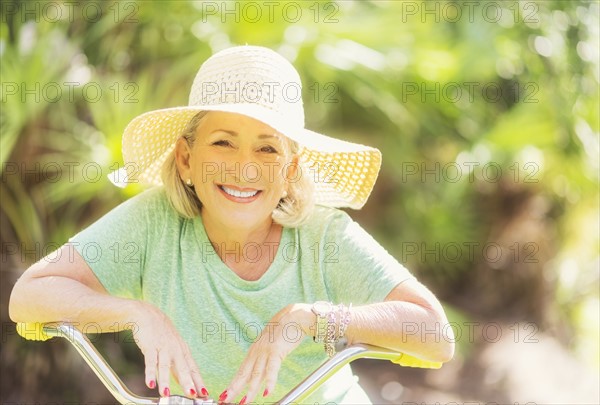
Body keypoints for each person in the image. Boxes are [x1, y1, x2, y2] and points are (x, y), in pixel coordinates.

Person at [9, 45, 454, 404]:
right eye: (223, 143)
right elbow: (30, 295)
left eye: (267, 150)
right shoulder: (154, 220)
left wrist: (308, 318)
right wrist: (137, 314)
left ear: (291, 170)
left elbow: (436, 334)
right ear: (186, 158)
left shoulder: (324, 235)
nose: (244, 170)